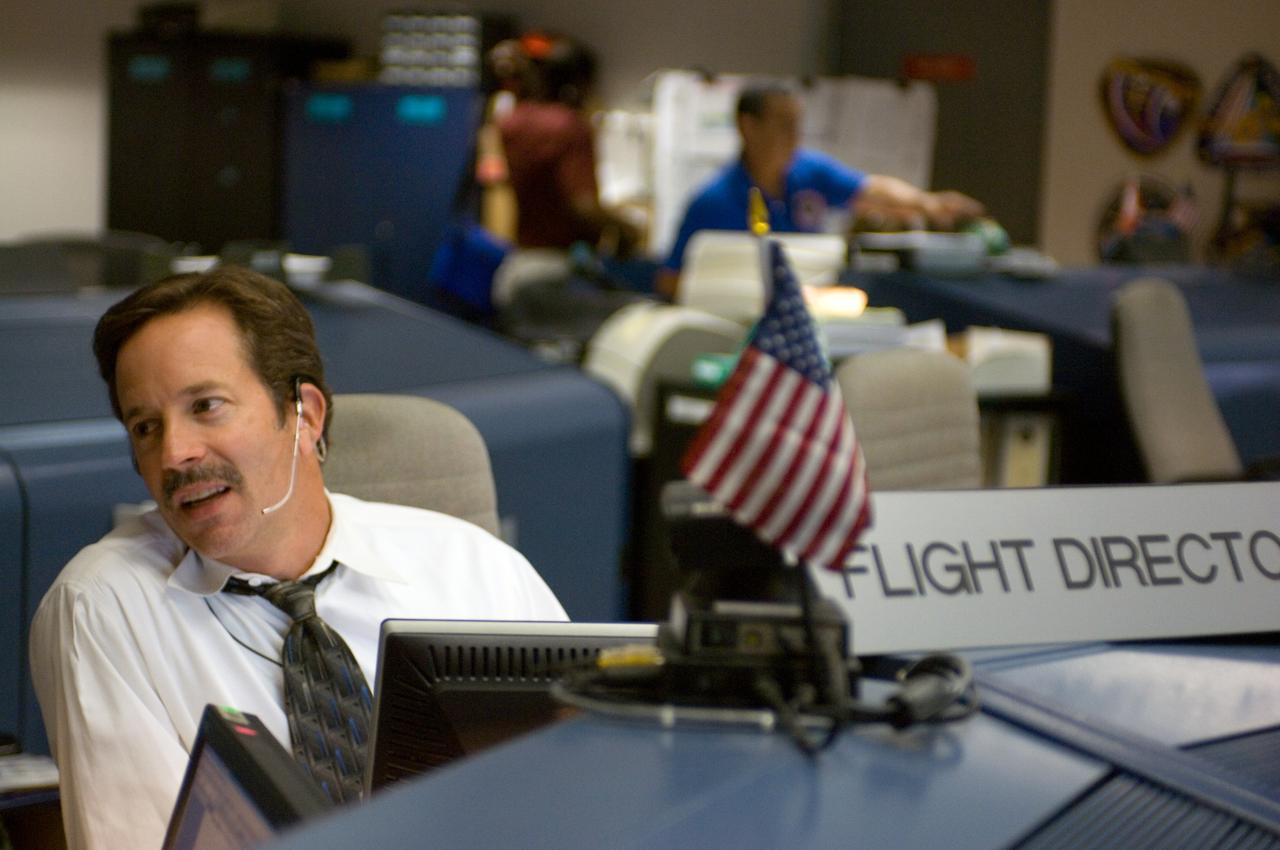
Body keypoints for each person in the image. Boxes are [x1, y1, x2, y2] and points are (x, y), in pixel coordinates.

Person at [29, 266, 567, 850]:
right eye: (145, 427)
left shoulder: (473, 567)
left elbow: (584, 791)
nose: (174, 454)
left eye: (206, 406)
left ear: (305, 414)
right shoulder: (106, 610)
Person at [656, 81, 986, 298]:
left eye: (798, 125)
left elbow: (870, 189)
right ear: (748, 126)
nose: (794, 135)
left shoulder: (809, 171)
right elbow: (669, 282)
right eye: (784, 125)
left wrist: (929, 204)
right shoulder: (712, 201)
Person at [489, 34, 640, 307]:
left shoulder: (512, 123)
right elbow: (582, 206)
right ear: (582, 83)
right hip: (555, 275)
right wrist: (627, 228)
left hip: (518, 266)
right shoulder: (569, 127)